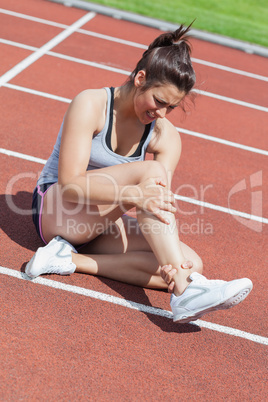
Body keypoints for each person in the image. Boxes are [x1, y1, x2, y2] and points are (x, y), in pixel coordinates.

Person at [25, 24, 253, 324]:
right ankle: (185, 293)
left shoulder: (165, 136)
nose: (162, 113)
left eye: (171, 107)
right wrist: (133, 195)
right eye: (159, 101)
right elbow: (70, 186)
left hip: (97, 225)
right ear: (140, 78)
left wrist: (171, 264)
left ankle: (68, 260)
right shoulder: (91, 104)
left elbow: (157, 207)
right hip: (56, 212)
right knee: (152, 172)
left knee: (190, 263)